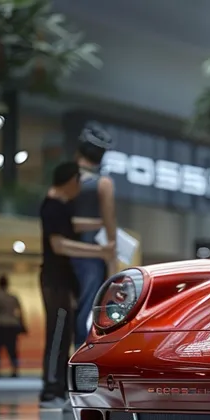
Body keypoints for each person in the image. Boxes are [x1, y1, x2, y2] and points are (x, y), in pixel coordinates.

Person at [40, 161, 115, 407]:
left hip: (64, 280)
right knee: (58, 334)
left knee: (64, 333)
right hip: (55, 280)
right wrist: (99, 251)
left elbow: (72, 225)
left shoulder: (61, 207)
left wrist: (102, 223)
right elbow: (59, 244)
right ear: (72, 181)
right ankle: (51, 389)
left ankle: (59, 388)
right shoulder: (52, 206)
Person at [70, 122, 117, 347]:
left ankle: (56, 374)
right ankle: (82, 361)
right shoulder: (103, 184)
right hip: (92, 256)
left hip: (64, 252)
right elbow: (109, 226)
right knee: (88, 308)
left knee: (64, 310)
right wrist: (112, 260)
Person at [0, 274, 24, 378]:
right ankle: (14, 370)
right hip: (11, 324)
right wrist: (22, 324)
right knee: (12, 349)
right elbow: (20, 312)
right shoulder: (13, 297)